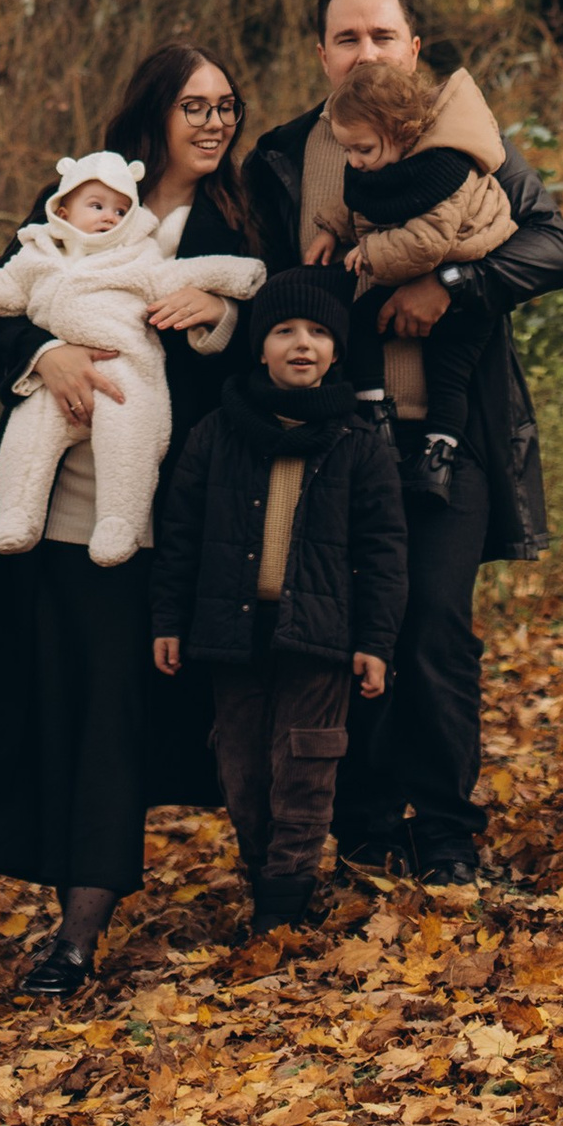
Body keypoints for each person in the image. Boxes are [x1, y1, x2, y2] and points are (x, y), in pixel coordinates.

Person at [0, 38, 259, 997]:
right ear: (156, 113)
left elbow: (274, 330)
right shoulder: (85, 199)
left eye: (226, 105)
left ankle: (78, 936)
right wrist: (42, 357)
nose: (214, 122)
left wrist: (216, 320)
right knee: (48, 701)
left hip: (153, 517)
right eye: (196, 105)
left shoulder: (237, 216)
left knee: (114, 711)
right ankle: (53, 889)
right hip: (44, 506)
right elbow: (1, 297)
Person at [243, 0, 563, 888]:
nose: (365, 53)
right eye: (347, 38)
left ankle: (446, 831)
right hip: (330, 437)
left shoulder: (468, 142)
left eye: (382, 37)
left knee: (431, 624)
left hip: (449, 430)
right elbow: (264, 289)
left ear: (413, 48)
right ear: (321, 53)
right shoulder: (278, 157)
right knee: (342, 627)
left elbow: (553, 245)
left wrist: (449, 285)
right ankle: (358, 825)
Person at [151, 267, 406, 936]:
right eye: (285, 331)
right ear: (259, 347)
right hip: (231, 630)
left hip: (320, 634)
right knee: (242, 769)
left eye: (319, 333)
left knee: (306, 766)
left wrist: (376, 643)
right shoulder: (217, 433)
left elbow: (384, 552)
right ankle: (264, 875)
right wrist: (169, 621)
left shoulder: (360, 442)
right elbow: (179, 535)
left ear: (336, 353)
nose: (303, 344)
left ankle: (282, 909)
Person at [0, 151, 262, 563]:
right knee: (27, 438)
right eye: (194, 107)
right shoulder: (40, 249)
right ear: (64, 209)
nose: (109, 216)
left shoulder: (150, 249)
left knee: (130, 439)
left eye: (227, 106)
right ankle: (17, 515)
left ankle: (120, 523)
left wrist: (232, 294)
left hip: (129, 375)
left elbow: (183, 278)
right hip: (52, 404)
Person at [328, 40, 516, 507]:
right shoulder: (380, 157)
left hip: (467, 284)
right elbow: (355, 196)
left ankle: (439, 455)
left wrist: (371, 251)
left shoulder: (447, 167)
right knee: (360, 322)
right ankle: (375, 414)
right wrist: (329, 229)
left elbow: (429, 242)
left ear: (403, 131)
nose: (354, 161)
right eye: (347, 150)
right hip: (434, 270)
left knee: (448, 372)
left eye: (362, 149)